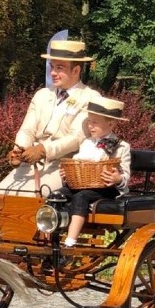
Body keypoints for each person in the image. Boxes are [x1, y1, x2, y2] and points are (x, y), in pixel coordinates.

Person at [0, 40, 100, 196]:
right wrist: (19, 149)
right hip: (30, 163)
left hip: (63, 167)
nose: (52, 73)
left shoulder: (90, 98)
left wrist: (44, 150)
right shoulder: (42, 95)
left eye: (59, 68)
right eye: (52, 67)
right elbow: (27, 129)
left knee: (29, 198)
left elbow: (76, 138)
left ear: (76, 70)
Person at [55, 95, 131, 248]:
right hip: (83, 183)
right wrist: (67, 175)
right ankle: (52, 234)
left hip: (106, 188)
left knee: (81, 197)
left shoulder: (121, 146)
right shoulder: (86, 143)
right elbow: (78, 166)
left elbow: (126, 175)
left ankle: (70, 242)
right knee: (56, 196)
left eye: (95, 122)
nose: (90, 126)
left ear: (110, 124)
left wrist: (118, 179)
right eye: (89, 121)